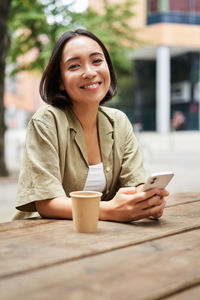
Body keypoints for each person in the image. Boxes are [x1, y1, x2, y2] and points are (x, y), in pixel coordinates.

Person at [14, 29, 168, 222]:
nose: (89, 72)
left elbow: (134, 184)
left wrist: (145, 202)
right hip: (39, 236)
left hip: (100, 239)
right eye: (74, 66)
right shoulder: (46, 121)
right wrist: (110, 210)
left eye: (97, 61)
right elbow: (46, 202)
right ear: (60, 81)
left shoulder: (119, 122)